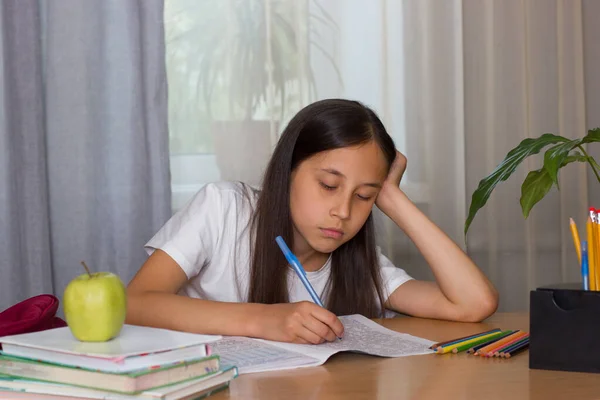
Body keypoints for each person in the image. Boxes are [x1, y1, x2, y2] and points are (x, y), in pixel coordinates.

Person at [126, 99, 498, 345]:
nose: (343, 211)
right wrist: (263, 321)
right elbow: (134, 302)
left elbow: (473, 304)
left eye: (364, 195)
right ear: (287, 171)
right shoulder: (224, 208)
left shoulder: (360, 266)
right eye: (329, 185)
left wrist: (394, 200)